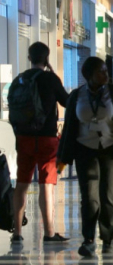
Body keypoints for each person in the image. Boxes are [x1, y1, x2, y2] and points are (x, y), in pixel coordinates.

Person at [57, 57, 113, 257]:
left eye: (105, 70)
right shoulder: (77, 96)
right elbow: (69, 127)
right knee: (89, 197)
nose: (106, 74)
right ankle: (89, 239)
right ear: (89, 75)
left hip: (110, 148)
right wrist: (63, 156)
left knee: (108, 195)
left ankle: (108, 238)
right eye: (101, 71)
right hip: (85, 148)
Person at [8, 42, 69, 245]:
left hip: (23, 139)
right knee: (46, 186)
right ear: (47, 58)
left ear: (29, 57)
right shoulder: (50, 79)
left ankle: (16, 232)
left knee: (22, 185)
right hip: (47, 140)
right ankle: (49, 233)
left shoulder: (20, 79)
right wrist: (53, 75)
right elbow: (67, 101)